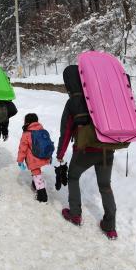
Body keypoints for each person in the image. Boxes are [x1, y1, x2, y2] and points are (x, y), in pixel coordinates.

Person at [56, 65, 118, 240]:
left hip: (85, 150)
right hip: (107, 149)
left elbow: (66, 131)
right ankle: (110, 227)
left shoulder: (73, 103)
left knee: (73, 177)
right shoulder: (100, 96)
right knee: (105, 186)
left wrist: (60, 154)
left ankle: (75, 214)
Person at [17, 113, 51, 202]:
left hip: (33, 159)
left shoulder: (27, 133)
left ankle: (42, 196)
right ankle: (35, 184)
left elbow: (22, 149)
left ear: (26, 122)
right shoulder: (42, 130)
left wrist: (20, 160)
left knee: (37, 174)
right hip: (43, 156)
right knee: (37, 172)